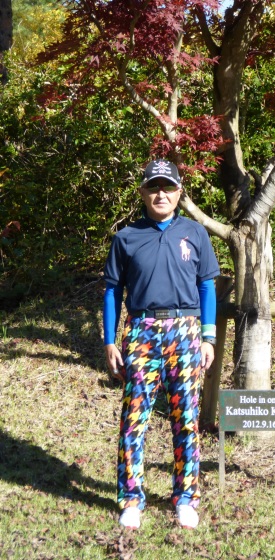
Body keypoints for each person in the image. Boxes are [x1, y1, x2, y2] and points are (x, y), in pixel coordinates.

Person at [103, 159, 220, 530]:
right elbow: (112, 291)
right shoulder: (126, 238)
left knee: (186, 419)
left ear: (179, 192)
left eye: (167, 187)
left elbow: (207, 287)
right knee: (134, 420)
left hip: (185, 332)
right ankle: (131, 499)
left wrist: (208, 337)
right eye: (153, 187)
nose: (160, 194)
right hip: (141, 331)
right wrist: (109, 341)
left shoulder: (195, 233)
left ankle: (185, 498)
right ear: (142, 192)